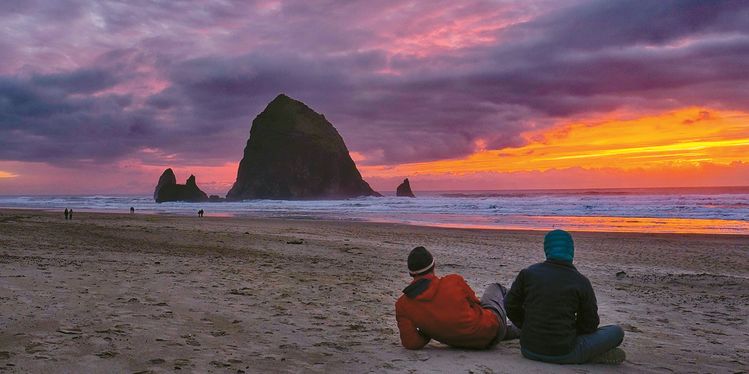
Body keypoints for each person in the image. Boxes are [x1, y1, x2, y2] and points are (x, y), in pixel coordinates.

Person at [505, 229, 625, 365]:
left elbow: (510, 304)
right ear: (571, 251)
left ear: (547, 249)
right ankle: (589, 355)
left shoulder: (528, 273)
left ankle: (587, 354)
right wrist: (572, 331)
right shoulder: (581, 281)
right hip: (563, 352)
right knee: (616, 332)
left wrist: (524, 325)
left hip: (528, 349)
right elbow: (590, 323)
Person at [394, 246, 519, 350]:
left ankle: (526, 329)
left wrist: (429, 329)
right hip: (489, 331)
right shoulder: (453, 281)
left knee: (505, 330)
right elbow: (476, 303)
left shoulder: (402, 305)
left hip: (463, 341)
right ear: (433, 266)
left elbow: (411, 342)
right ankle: (530, 309)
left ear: (411, 273)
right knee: (495, 288)